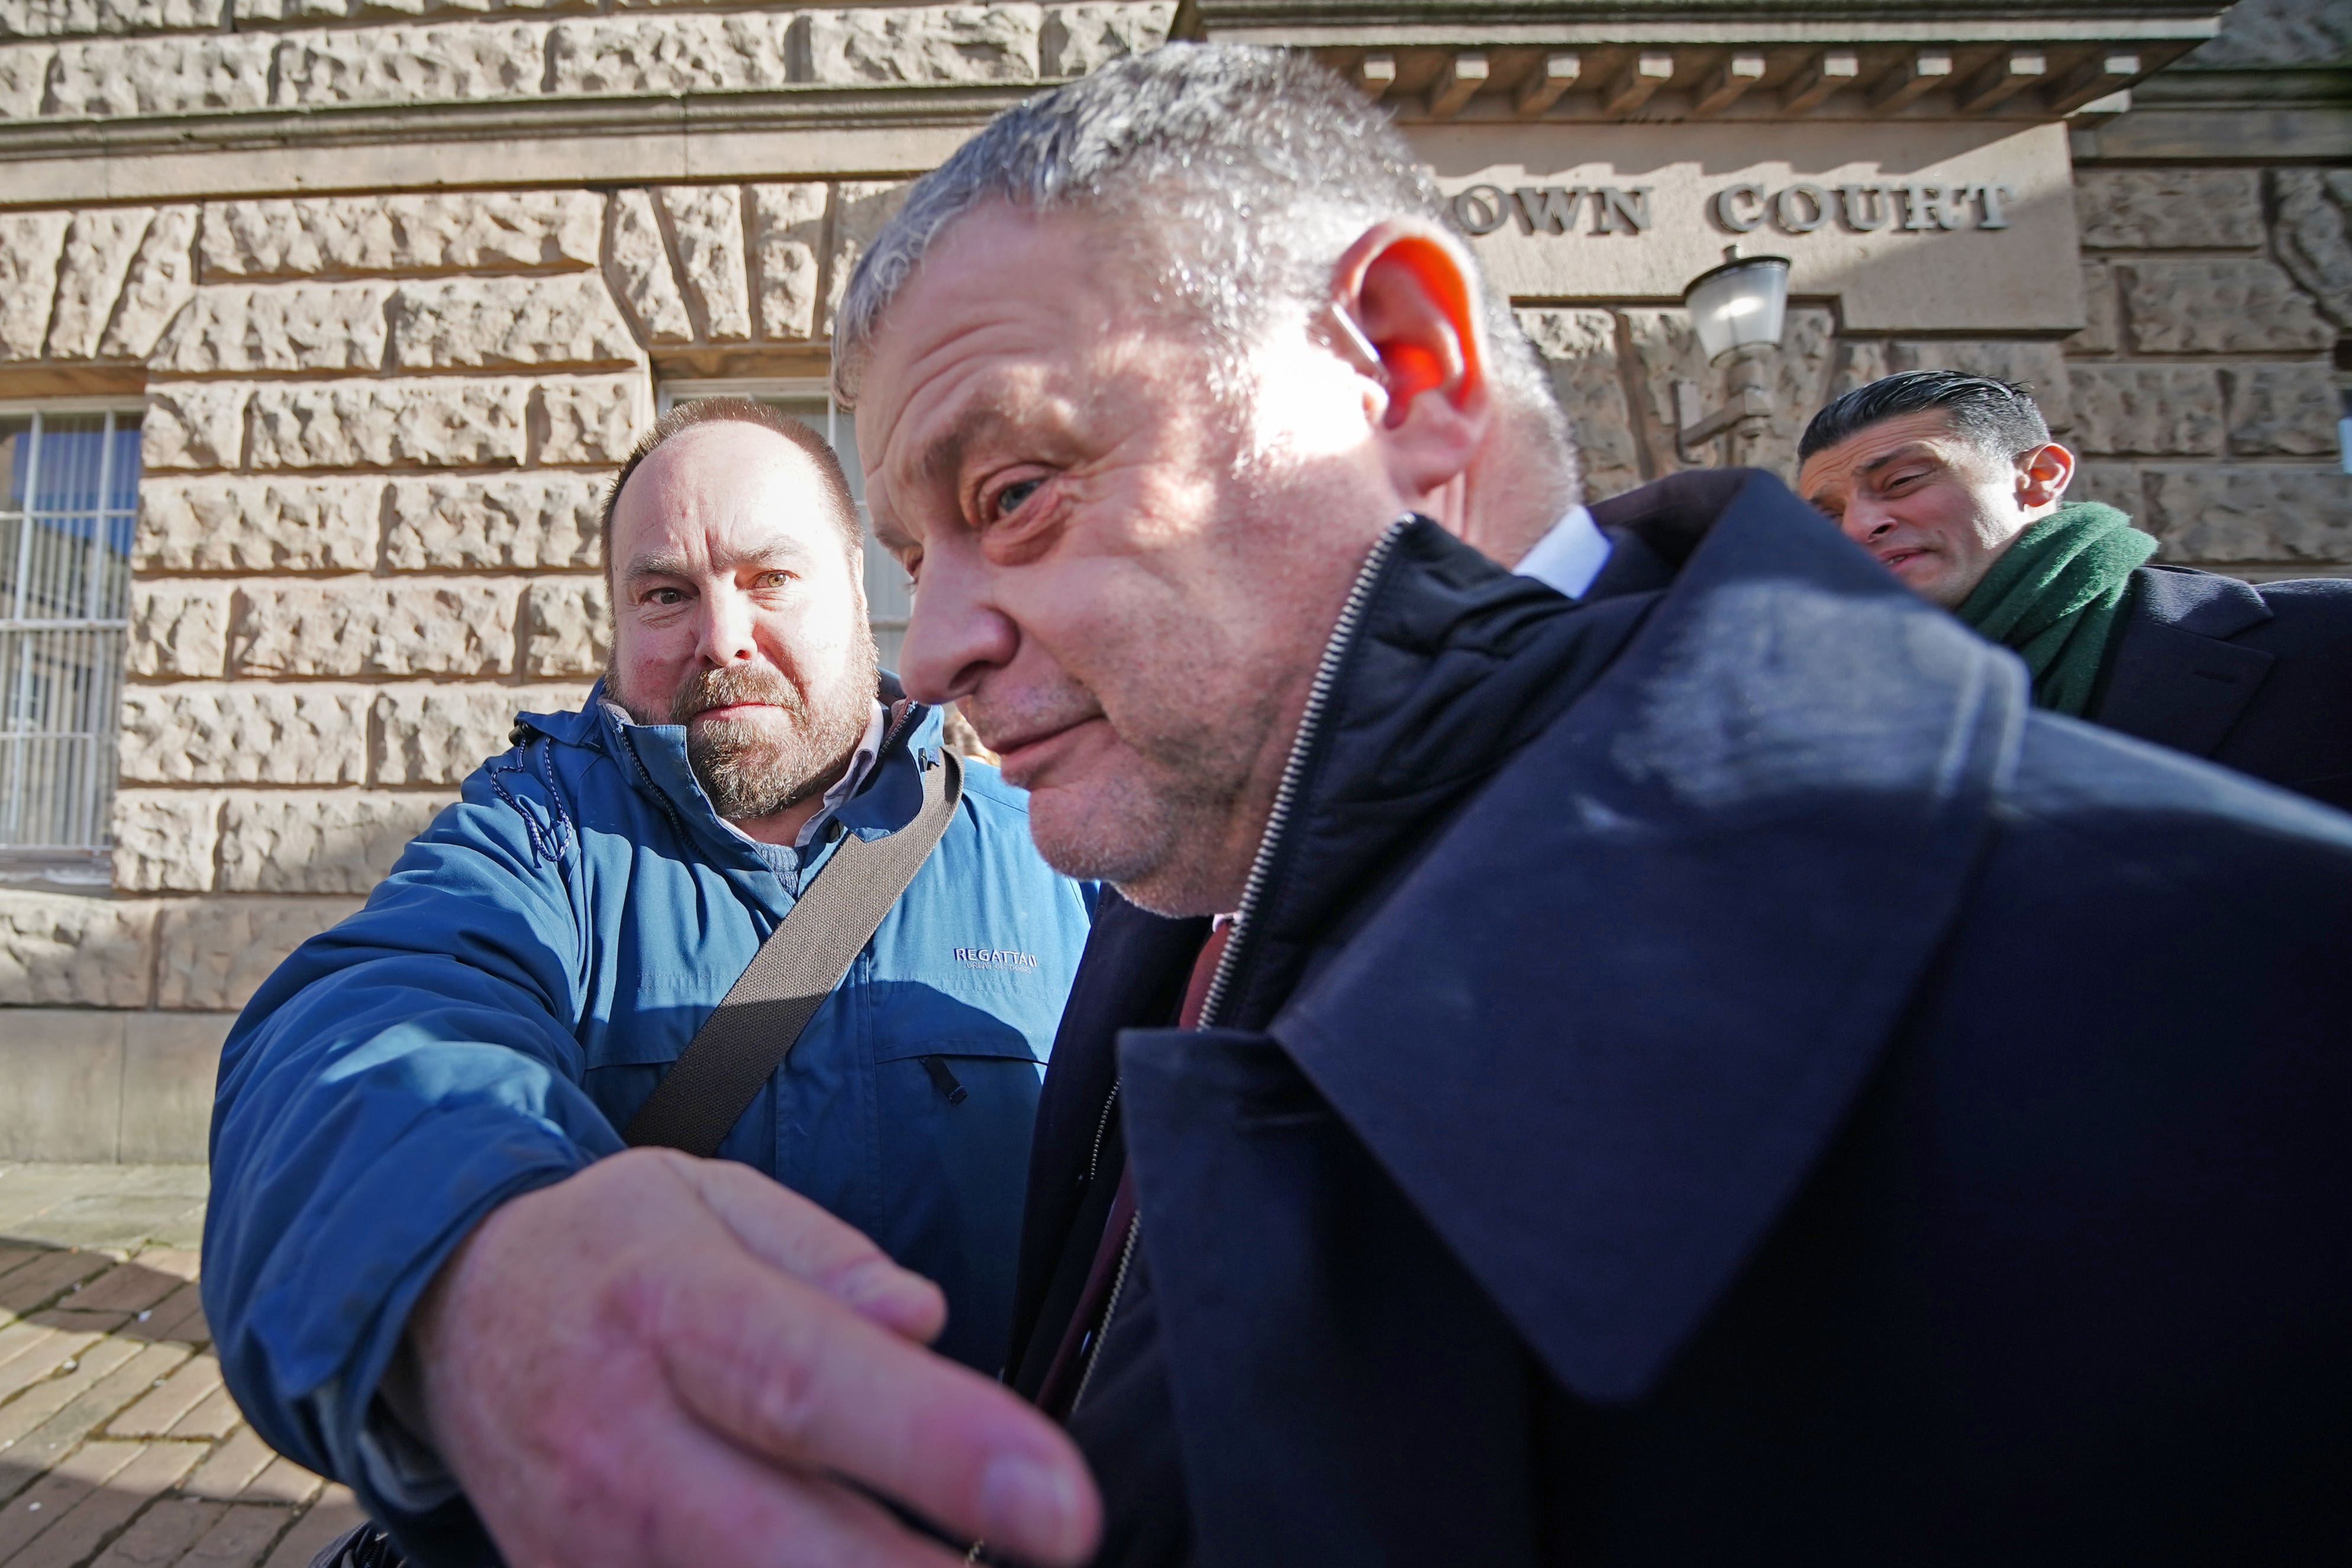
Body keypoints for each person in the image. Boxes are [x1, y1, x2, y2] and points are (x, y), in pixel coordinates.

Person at [832, 42, 2350, 1566]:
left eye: (1014, 489)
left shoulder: (2242, 1002)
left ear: (1399, 370)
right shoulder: (1177, 912)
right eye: (910, 560)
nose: (940, 641)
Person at [202, 398, 1099, 1565]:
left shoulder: (1057, 853)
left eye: (768, 576)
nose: (720, 633)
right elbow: (368, 1023)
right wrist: (466, 1264)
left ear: (854, 584)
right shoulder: (536, 833)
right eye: (665, 592)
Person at [1797, 370, 2352, 809]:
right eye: (1829, 516)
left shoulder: (2327, 643)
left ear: (2039, 478)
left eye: (1900, 482)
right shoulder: (1815, 729)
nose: (1859, 526)